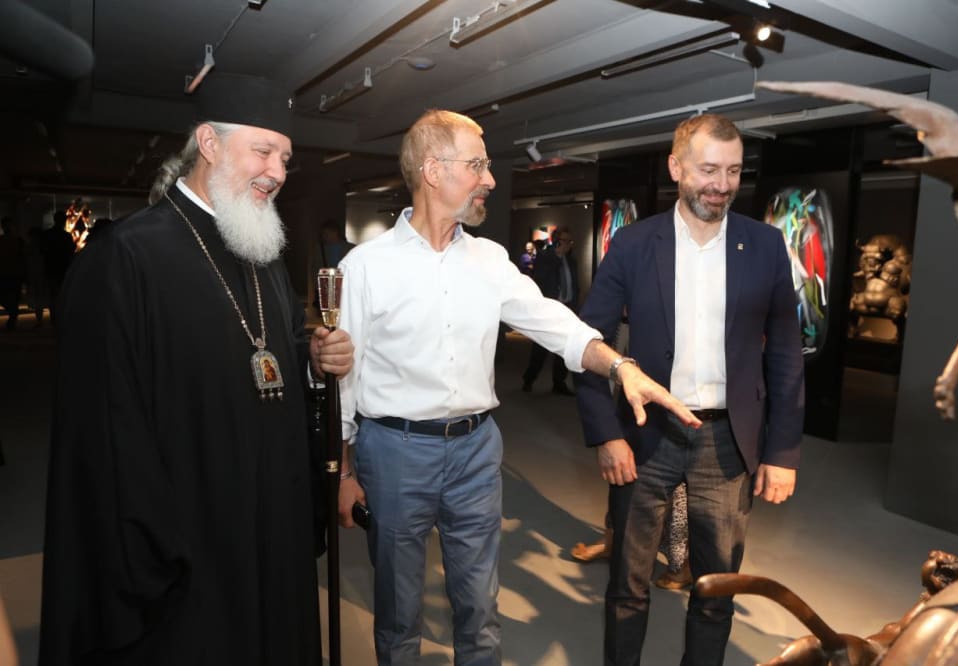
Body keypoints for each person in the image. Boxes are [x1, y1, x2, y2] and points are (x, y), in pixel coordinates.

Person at [334, 109, 700, 666]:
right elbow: (345, 377)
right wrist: (343, 471)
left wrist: (620, 367)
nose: (490, 179)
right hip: (395, 453)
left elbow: (557, 325)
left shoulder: (490, 260)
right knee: (399, 611)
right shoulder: (365, 267)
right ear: (432, 170)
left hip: (477, 454)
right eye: (477, 165)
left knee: (480, 609)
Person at [38, 74, 354, 666]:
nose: (278, 171)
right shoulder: (125, 258)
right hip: (187, 534)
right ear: (209, 144)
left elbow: (274, 356)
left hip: (270, 521)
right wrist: (156, 544)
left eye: (285, 158)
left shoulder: (262, 253)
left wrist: (312, 362)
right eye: (263, 151)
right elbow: (104, 430)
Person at [575, 112, 804, 666]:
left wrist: (781, 452)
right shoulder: (633, 244)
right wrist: (607, 434)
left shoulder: (766, 244)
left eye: (733, 171)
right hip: (645, 431)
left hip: (727, 441)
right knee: (628, 586)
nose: (721, 185)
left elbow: (785, 353)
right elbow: (588, 343)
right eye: (708, 170)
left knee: (715, 591)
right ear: (676, 167)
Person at [522, 228, 579, 395]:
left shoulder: (572, 261)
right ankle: (529, 379)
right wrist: (557, 257)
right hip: (549, 308)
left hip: (567, 308)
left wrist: (575, 303)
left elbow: (574, 283)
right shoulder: (545, 257)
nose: (569, 244)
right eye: (565, 241)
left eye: (570, 241)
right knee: (541, 347)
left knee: (564, 348)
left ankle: (559, 382)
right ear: (557, 241)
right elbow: (540, 278)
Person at [0, 218, 26, 331]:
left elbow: (22, 257)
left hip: (12, 273)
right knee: (11, 297)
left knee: (12, 297)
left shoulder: (17, 240)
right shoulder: (17, 240)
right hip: (9, 273)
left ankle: (12, 317)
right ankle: (12, 316)